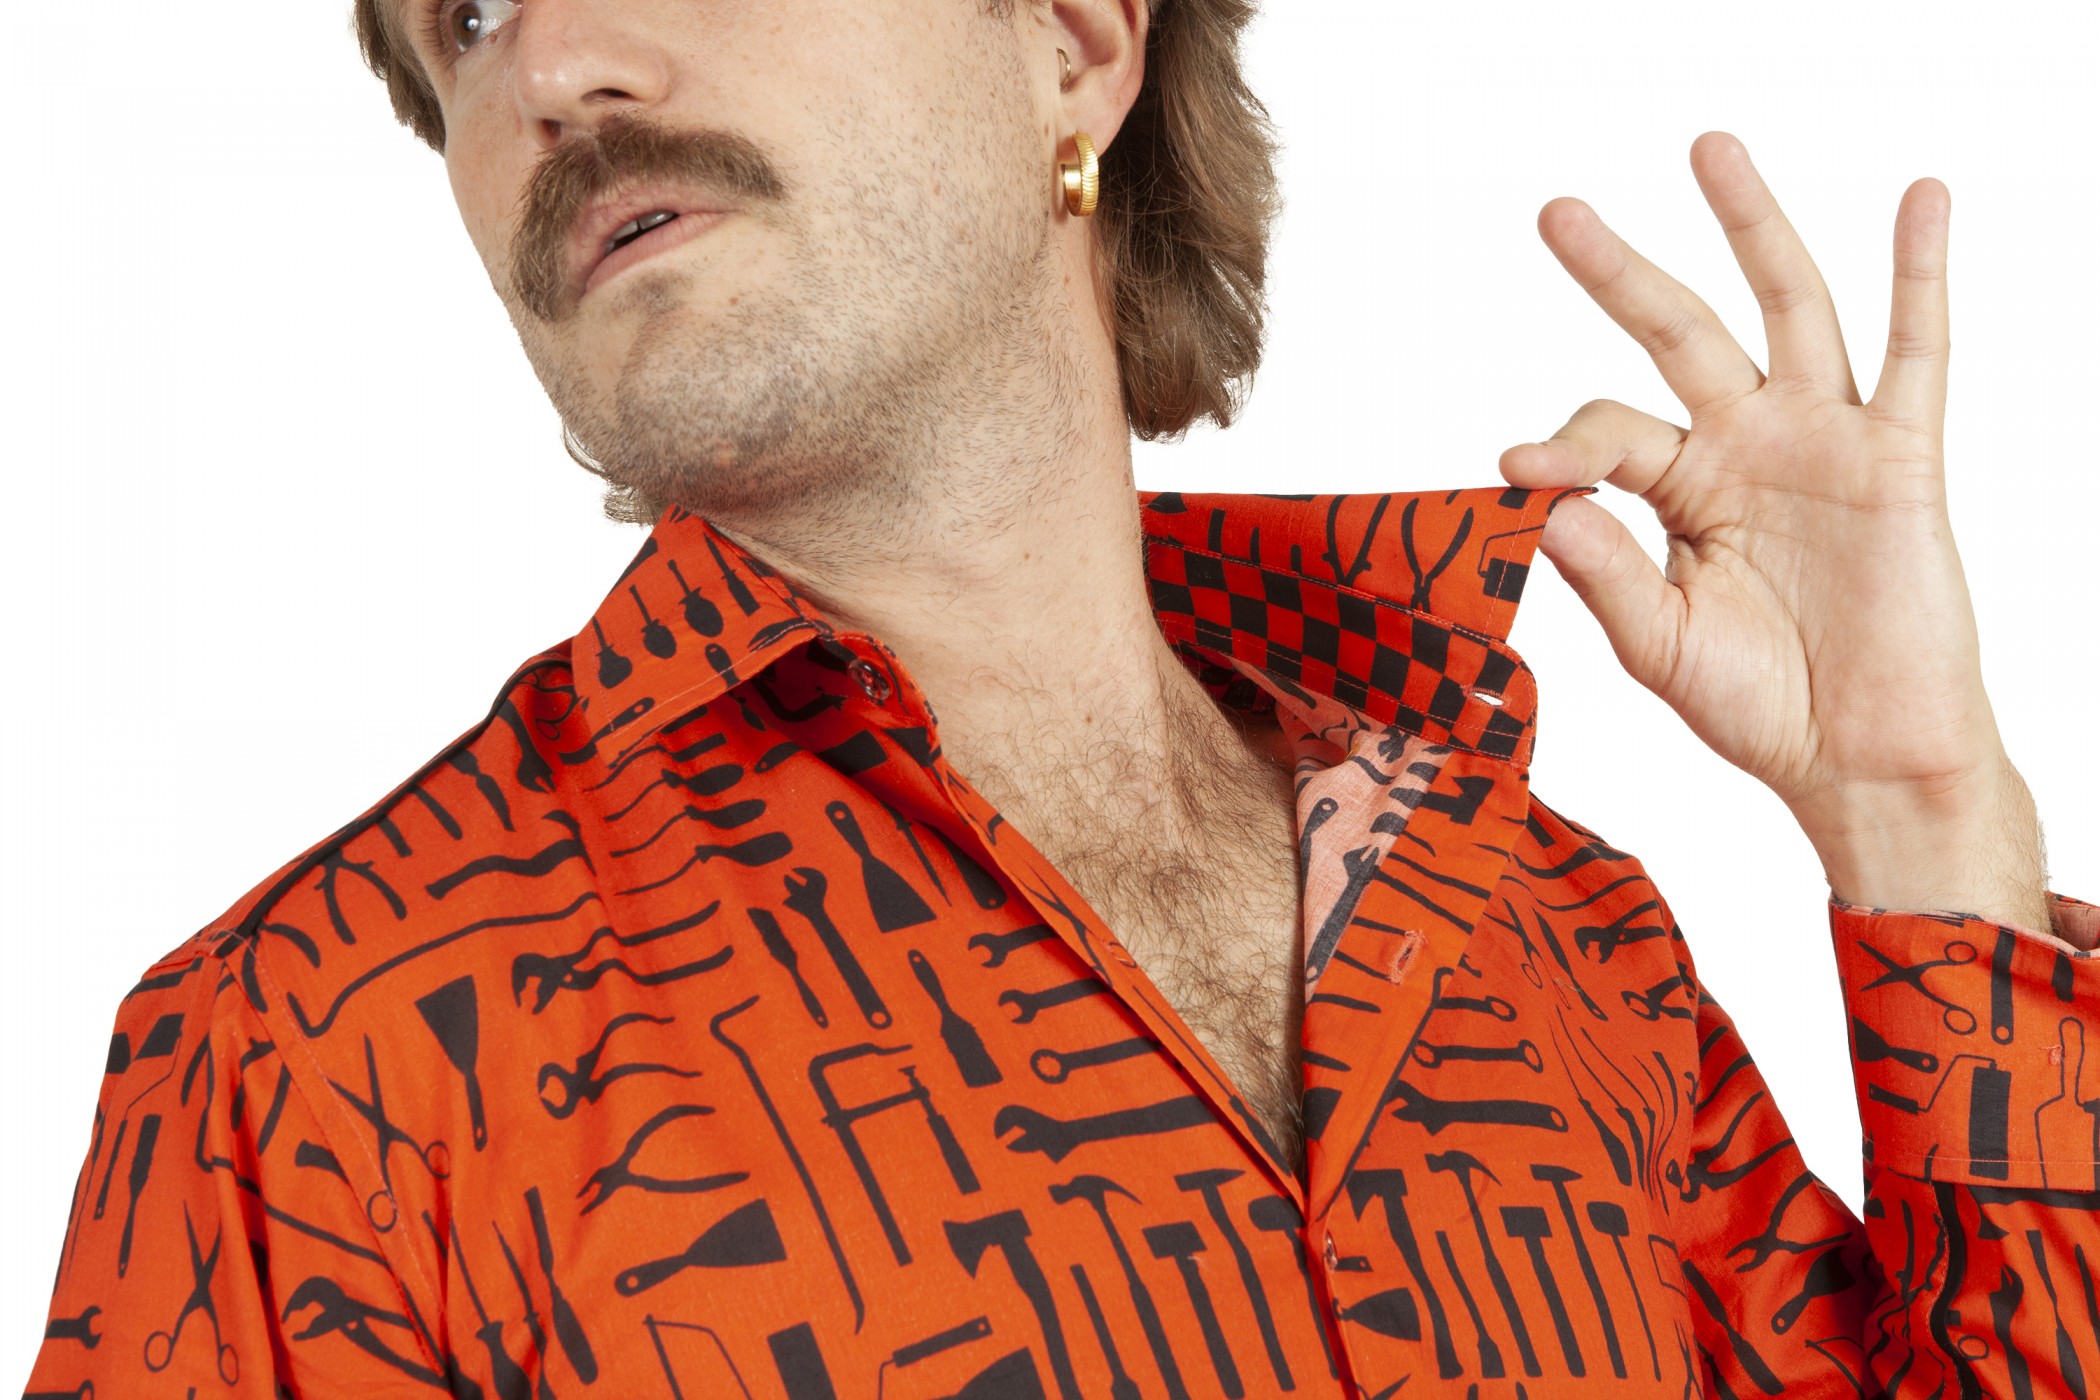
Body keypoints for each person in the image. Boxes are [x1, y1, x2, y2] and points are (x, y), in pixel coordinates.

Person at [23, 0, 2097, 1395]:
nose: (550, 65)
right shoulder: (311, 1063)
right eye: (462, 17)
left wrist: (1925, 818)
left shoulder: (1552, 931)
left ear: (1075, 44)